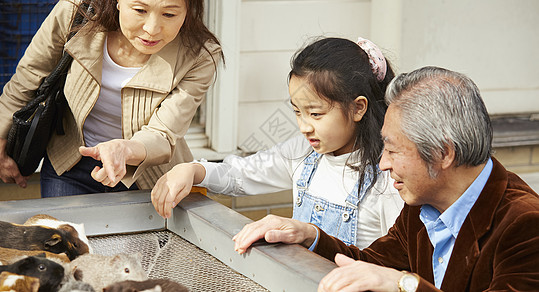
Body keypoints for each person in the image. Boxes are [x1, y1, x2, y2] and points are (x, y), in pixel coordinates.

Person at [231, 66, 539, 291]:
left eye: (391, 149)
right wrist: (309, 235)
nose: (383, 163)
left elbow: (392, 278)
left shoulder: (526, 224)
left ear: (444, 153)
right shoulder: (423, 203)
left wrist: (406, 284)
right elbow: (371, 263)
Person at [151, 37, 404, 249]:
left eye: (316, 113)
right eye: (297, 112)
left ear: (358, 107)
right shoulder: (303, 153)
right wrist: (193, 170)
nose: (304, 126)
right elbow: (241, 175)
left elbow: (401, 261)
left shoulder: (389, 180)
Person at [0, 0, 223, 197]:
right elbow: (30, 74)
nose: (152, 28)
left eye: (170, 14)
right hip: (68, 163)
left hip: (150, 177)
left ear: (188, 10)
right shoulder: (76, 11)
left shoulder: (200, 55)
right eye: (140, 10)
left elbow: (163, 133)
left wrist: (123, 151)